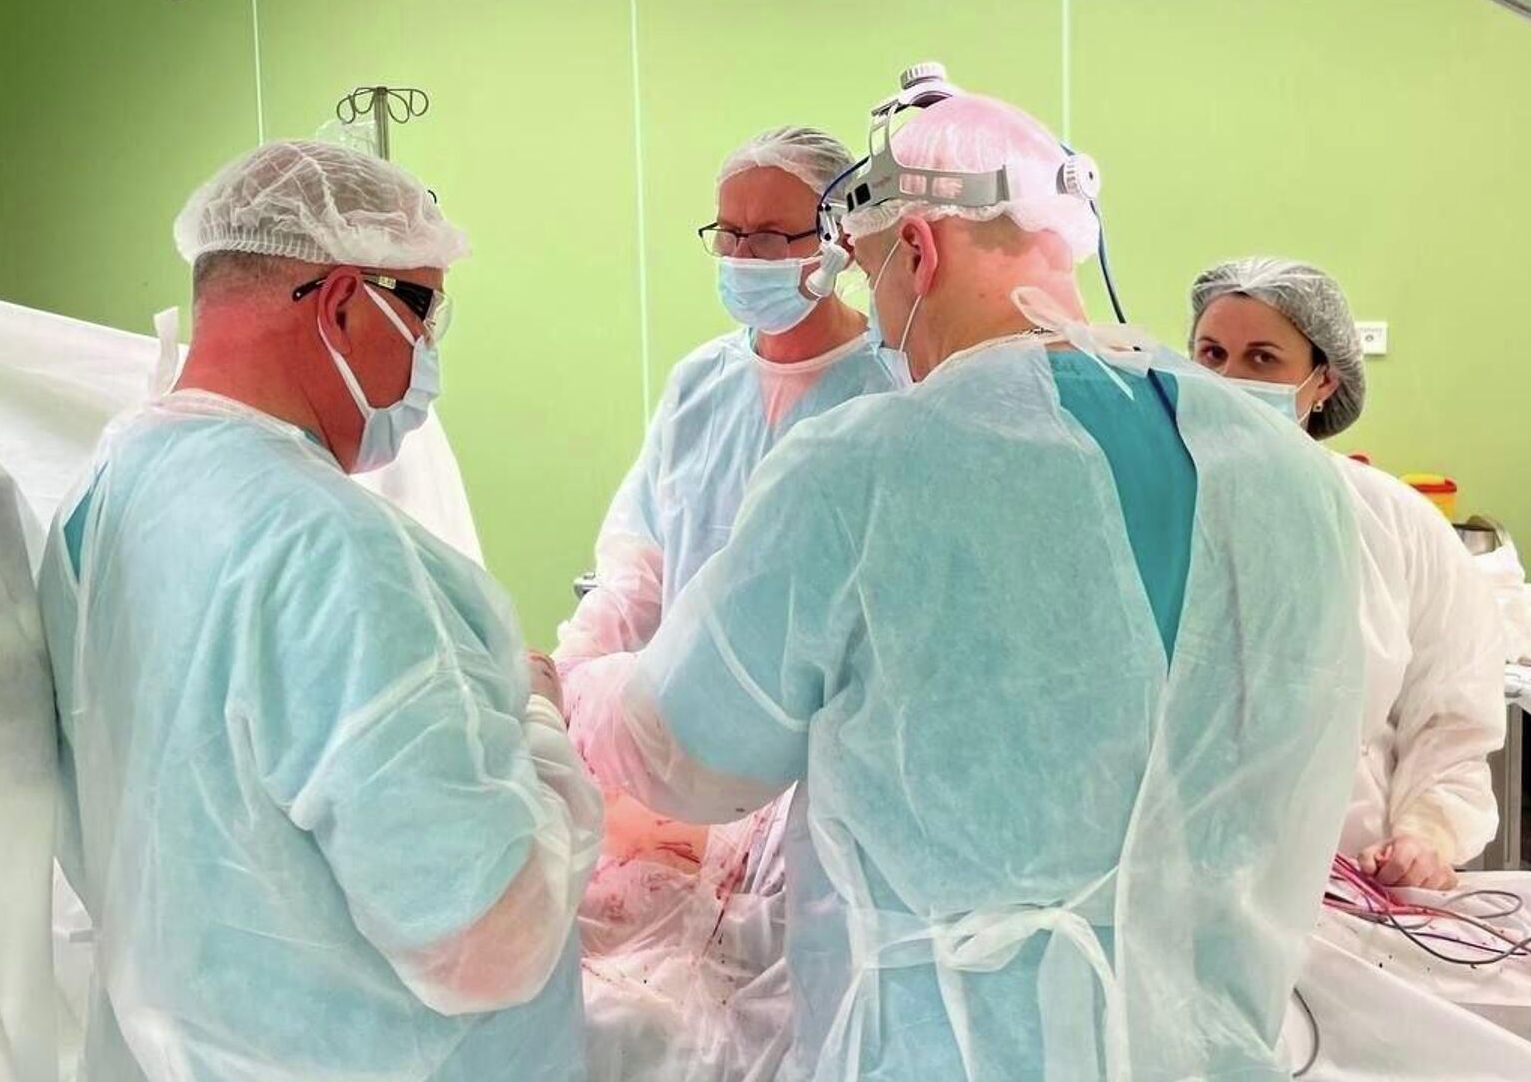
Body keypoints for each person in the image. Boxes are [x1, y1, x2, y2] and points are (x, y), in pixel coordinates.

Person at [571, 81, 1365, 1080]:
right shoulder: (1286, 469)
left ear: (919, 249)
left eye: (873, 275)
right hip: (1203, 1046)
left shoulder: (869, 464)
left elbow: (689, 753)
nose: (880, 315)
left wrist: (582, 686)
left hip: (948, 1047)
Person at [38, 140, 601, 1082]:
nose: (427, 353)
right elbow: (484, 938)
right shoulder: (330, 551)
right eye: (422, 311)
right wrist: (540, 726)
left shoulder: (106, 489)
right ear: (342, 303)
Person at [556, 126, 892, 1082]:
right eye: (730, 234)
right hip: (688, 739)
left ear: (838, 237)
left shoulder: (891, 389)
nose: (746, 257)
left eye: (773, 235)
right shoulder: (701, 383)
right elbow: (640, 560)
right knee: (640, 991)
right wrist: (571, 679)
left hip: (824, 759)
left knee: (789, 1002)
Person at [1190, 256, 1505, 891]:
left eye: (1262, 359)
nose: (1228, 380)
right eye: (1211, 354)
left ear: (1324, 381)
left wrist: (1427, 835)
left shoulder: (1395, 523)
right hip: (1176, 876)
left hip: (1349, 873)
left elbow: (1450, 716)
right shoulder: (1155, 509)